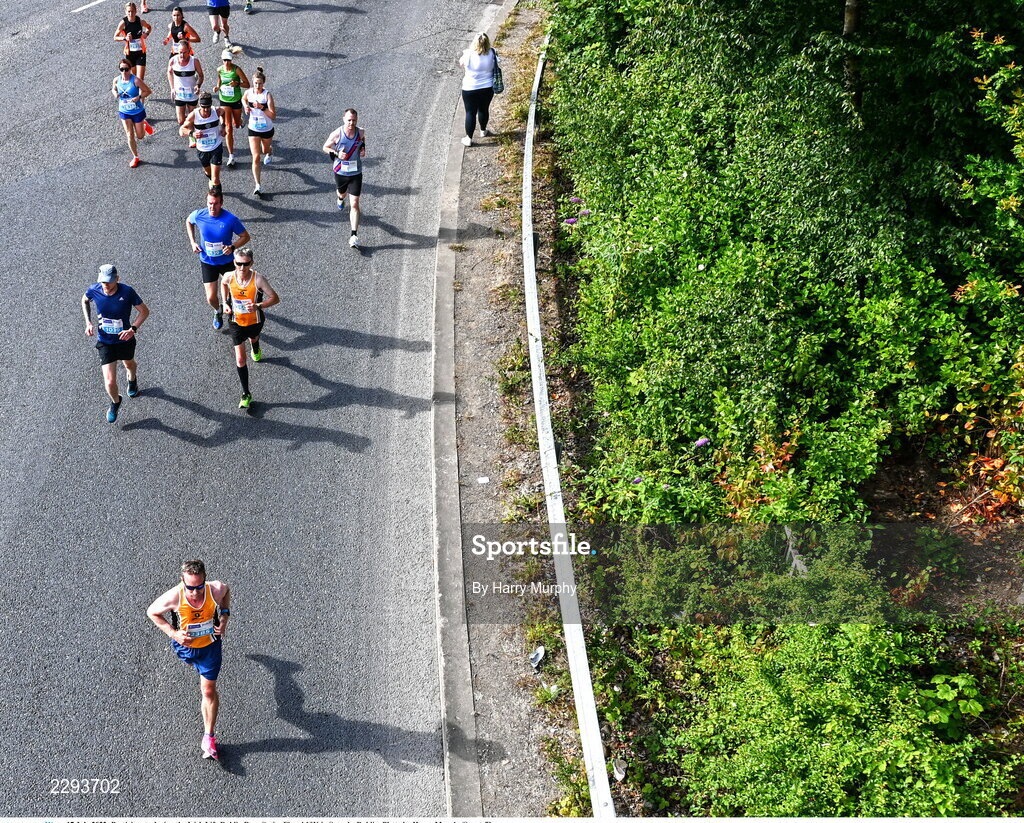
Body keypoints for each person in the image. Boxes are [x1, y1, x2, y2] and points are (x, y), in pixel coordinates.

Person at [146, 560, 231, 761]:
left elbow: (226, 592)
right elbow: (152, 612)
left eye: (199, 587)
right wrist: (174, 634)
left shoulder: (215, 589)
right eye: (190, 587)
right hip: (186, 648)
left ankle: (209, 737)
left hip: (210, 648)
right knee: (198, 673)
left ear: (205, 581)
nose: (194, 592)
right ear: (182, 581)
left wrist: (225, 616)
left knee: (208, 690)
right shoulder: (175, 596)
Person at [81, 264, 150, 423]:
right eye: (103, 282)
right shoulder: (94, 290)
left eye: (109, 282)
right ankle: (115, 401)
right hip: (105, 342)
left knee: (129, 365)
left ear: (117, 279)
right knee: (110, 381)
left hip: (125, 340)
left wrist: (132, 329)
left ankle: (132, 380)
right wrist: (88, 322)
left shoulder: (127, 292)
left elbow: (144, 311)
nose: (106, 285)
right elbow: (84, 300)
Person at [221, 247, 279, 409]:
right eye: (238, 263)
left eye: (245, 264)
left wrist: (258, 305)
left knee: (254, 338)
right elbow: (223, 284)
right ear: (234, 262)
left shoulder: (258, 279)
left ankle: (256, 346)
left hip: (255, 321)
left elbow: (275, 298)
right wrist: (225, 302)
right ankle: (246, 393)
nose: (241, 268)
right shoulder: (229, 276)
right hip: (235, 321)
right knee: (240, 359)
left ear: (251, 263)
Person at [186, 187, 251, 329]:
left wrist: (232, 247)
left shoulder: (230, 219)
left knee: (235, 292)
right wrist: (192, 242)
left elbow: (245, 236)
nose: (212, 207)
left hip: (227, 262)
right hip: (207, 261)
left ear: (221, 203)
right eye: (209, 203)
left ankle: (236, 312)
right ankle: (218, 310)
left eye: (215, 203)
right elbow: (189, 222)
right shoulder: (199, 215)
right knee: (211, 297)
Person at [322, 109, 366, 249]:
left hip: (355, 172)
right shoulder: (336, 134)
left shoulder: (361, 132)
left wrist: (363, 149)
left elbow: (362, 141)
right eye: (349, 120)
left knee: (354, 203)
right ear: (343, 119)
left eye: (354, 120)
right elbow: (325, 147)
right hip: (341, 172)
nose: (351, 123)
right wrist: (336, 153)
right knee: (342, 193)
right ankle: (340, 199)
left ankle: (354, 235)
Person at [457, 32, 499, 147]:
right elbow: (498, 62)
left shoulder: (468, 54)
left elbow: (461, 63)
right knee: (484, 109)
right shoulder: (493, 53)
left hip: (470, 88)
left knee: (470, 113)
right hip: (487, 87)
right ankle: (483, 130)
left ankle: (469, 138)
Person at [113, 59, 154, 168]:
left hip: (137, 111)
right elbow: (113, 89)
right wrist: (115, 93)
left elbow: (148, 91)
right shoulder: (117, 80)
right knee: (129, 134)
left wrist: (139, 97)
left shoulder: (135, 80)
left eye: (126, 69)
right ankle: (135, 157)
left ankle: (144, 124)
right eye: (121, 69)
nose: (124, 72)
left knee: (140, 136)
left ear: (130, 69)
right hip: (124, 111)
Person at [242, 66, 275, 196]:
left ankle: (270, 151)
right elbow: (243, 99)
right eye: (255, 83)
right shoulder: (249, 93)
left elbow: (273, 115)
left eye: (260, 83)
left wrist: (261, 107)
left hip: (266, 129)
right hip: (253, 128)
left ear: (263, 83)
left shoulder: (267, 95)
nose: (257, 85)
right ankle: (258, 185)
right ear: (253, 82)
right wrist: (245, 107)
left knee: (265, 150)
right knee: (256, 157)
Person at [180, 92, 225, 186]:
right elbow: (181, 130)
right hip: (202, 149)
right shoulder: (194, 115)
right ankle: (211, 179)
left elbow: (224, 113)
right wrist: (192, 133)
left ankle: (216, 192)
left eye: (208, 106)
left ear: (211, 104)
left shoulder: (216, 111)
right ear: (199, 105)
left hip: (216, 146)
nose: (206, 109)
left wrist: (223, 126)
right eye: (203, 107)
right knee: (209, 173)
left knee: (216, 178)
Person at [215, 50, 249, 168]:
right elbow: (219, 81)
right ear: (222, 60)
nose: (226, 62)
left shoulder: (237, 70)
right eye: (224, 60)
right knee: (229, 127)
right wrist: (217, 87)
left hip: (236, 100)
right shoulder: (219, 69)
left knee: (237, 124)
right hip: (224, 100)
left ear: (231, 60)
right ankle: (231, 156)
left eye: (228, 60)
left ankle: (241, 120)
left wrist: (237, 83)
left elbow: (247, 84)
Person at [167, 41, 204, 141]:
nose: (182, 55)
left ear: (189, 51)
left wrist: (198, 85)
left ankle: (192, 137)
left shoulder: (194, 61)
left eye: (184, 52)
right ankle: (189, 128)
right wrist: (172, 88)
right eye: (180, 52)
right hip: (179, 94)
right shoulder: (173, 60)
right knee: (180, 120)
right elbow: (169, 73)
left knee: (192, 117)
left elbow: (201, 75)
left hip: (192, 94)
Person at [114, 3, 153, 83]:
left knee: (140, 79)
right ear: (126, 12)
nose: (131, 14)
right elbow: (115, 37)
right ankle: (137, 94)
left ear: (136, 11)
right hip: (130, 53)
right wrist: (125, 38)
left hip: (141, 52)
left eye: (132, 11)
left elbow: (149, 27)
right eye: (129, 11)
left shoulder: (140, 21)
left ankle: (141, 94)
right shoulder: (123, 23)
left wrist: (146, 33)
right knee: (134, 78)